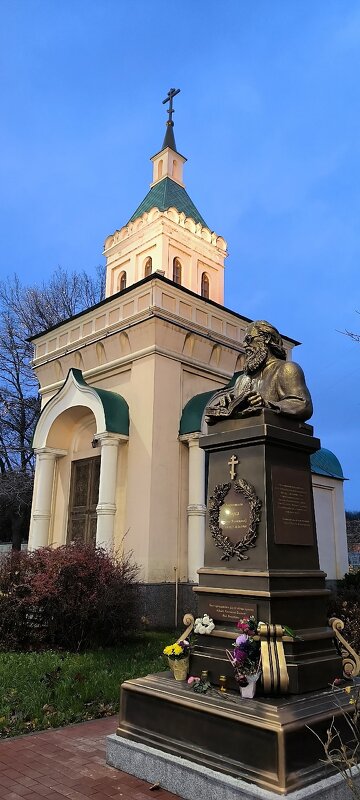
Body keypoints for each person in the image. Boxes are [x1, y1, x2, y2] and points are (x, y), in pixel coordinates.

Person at [205, 320, 313, 423]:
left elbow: (303, 405)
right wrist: (228, 405)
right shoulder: (242, 380)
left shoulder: (286, 369)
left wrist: (267, 404)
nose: (244, 345)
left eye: (249, 340)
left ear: (266, 338)